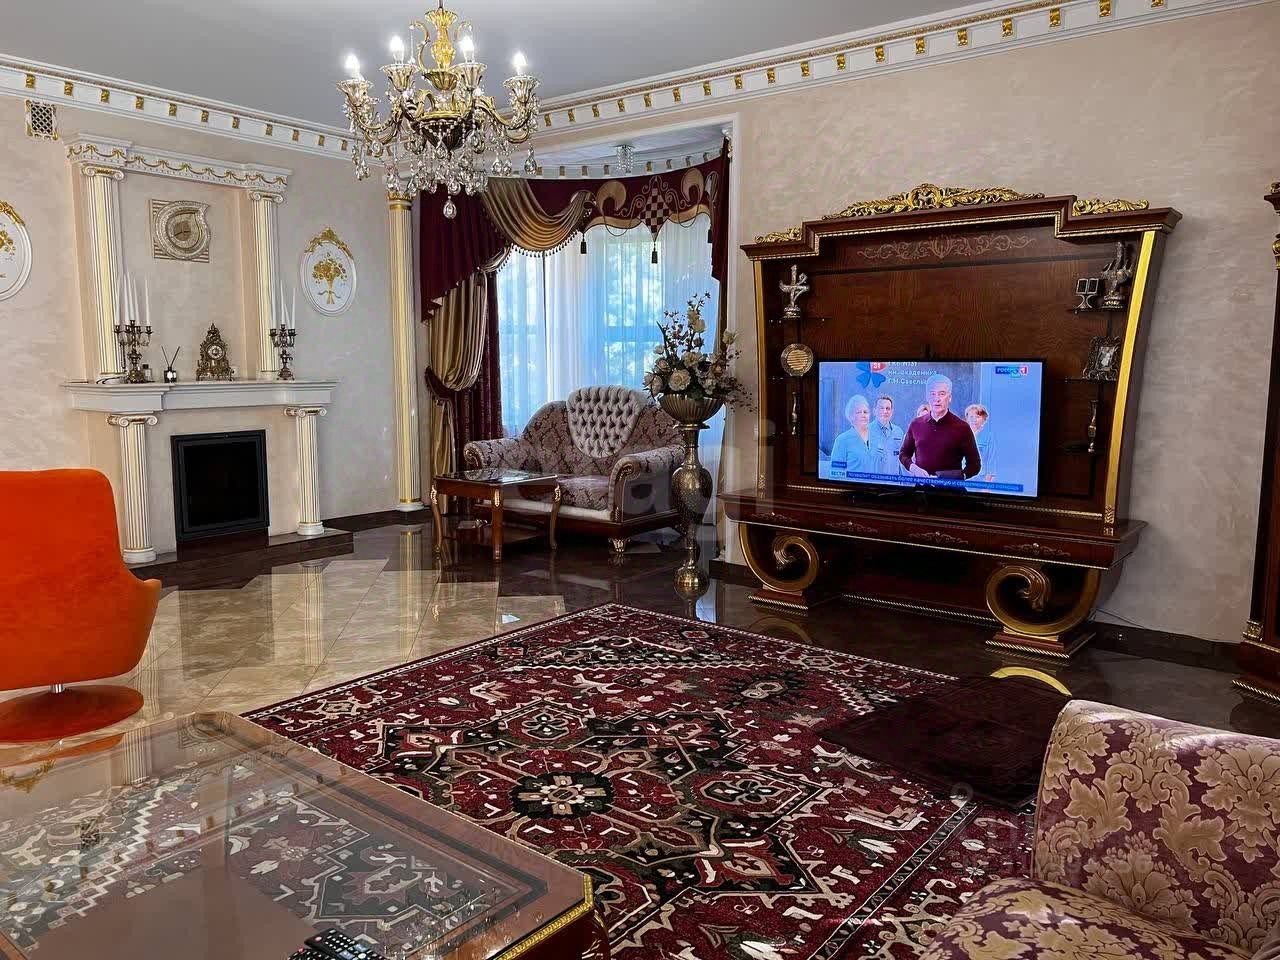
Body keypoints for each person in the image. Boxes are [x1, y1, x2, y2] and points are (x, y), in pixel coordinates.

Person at [898, 374, 981, 480]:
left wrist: (954, 477)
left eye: (942, 394)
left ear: (950, 397)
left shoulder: (963, 428)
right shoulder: (916, 424)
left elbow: (975, 465)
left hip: (950, 489)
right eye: (932, 394)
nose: (937, 399)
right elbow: (904, 454)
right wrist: (914, 468)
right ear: (927, 397)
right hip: (921, 488)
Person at [829, 395, 882, 475]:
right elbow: (836, 472)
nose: (863, 415)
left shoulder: (878, 437)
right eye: (859, 412)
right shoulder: (842, 440)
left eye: (865, 412)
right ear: (851, 416)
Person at [871, 396, 905, 475]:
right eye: (881, 408)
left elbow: (901, 461)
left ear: (892, 412)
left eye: (888, 408)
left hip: (894, 481)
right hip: (872, 481)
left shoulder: (898, 432)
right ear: (874, 411)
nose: (885, 411)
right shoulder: (865, 432)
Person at [965, 403, 997, 483]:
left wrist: (987, 485)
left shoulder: (989, 437)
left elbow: (991, 461)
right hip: (962, 479)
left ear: (984, 419)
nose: (974, 419)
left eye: (977, 417)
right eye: (971, 417)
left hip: (980, 481)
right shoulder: (961, 434)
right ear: (967, 419)